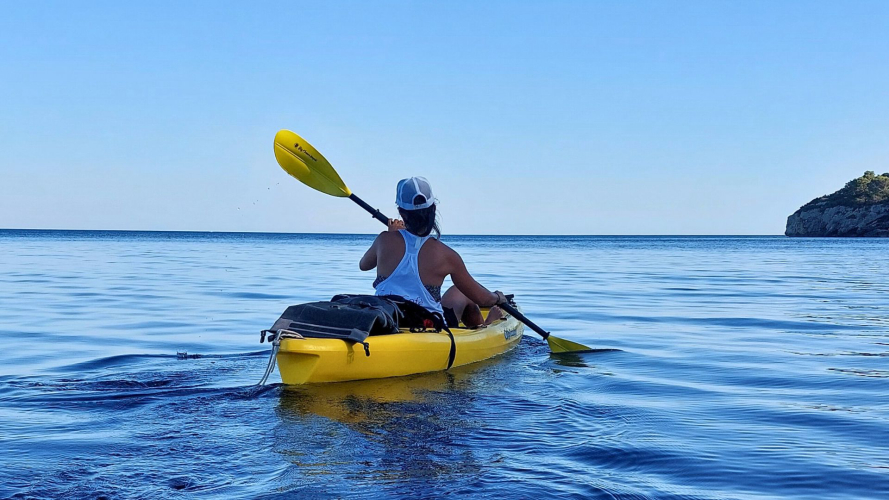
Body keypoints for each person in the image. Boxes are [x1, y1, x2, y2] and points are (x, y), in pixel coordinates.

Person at [359, 176, 506, 328]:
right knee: (463, 292)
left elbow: (363, 265)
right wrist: (497, 298)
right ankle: (486, 325)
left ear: (401, 213)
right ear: (433, 209)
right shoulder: (447, 255)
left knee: (458, 291)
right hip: (428, 325)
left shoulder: (384, 240)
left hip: (388, 319)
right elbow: (482, 299)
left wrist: (391, 233)